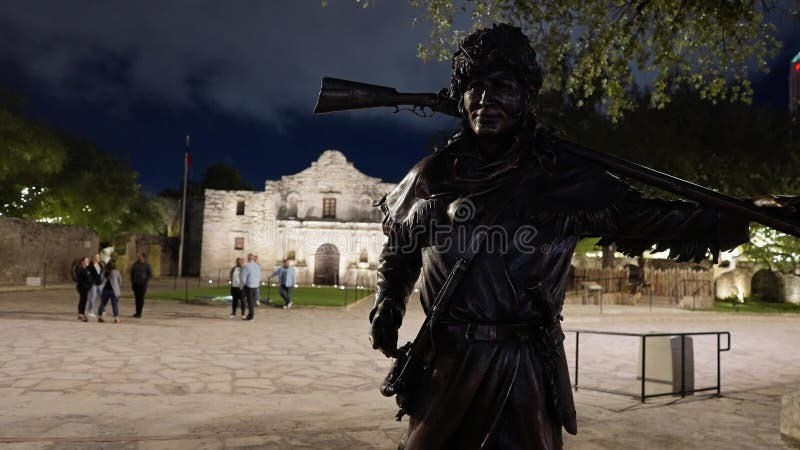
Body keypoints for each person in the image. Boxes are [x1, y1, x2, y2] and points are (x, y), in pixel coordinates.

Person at [366, 23, 785, 449]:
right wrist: (388, 302)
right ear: (461, 96)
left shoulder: (562, 178)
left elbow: (653, 218)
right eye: (475, 87)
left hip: (524, 367)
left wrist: (744, 211)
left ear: (525, 97)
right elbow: (401, 249)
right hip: (447, 362)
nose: (486, 100)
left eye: (502, 87)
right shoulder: (432, 175)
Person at [130, 252, 153, 318]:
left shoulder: (147, 265)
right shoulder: (135, 265)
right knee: (137, 299)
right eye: (138, 256)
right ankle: (137, 312)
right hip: (136, 284)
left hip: (143, 285)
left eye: (140, 256)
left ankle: (139, 313)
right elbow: (132, 274)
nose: (139, 257)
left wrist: (146, 281)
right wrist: (133, 282)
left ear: (143, 257)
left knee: (141, 299)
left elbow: (150, 275)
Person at [241, 253, 261, 321]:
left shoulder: (247, 266)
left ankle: (250, 316)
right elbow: (259, 276)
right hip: (255, 286)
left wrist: (242, 286)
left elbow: (243, 278)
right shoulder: (258, 266)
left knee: (250, 302)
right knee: (252, 301)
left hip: (249, 286)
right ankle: (250, 315)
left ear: (248, 258)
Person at [74, 256, 93, 322]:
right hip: (82, 287)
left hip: (86, 287)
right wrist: (86, 285)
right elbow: (79, 280)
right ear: (83, 262)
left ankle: (81, 314)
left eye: (88, 261)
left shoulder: (86, 269)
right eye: (86, 261)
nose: (88, 262)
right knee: (83, 300)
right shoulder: (80, 269)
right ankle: (81, 314)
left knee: (83, 300)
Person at [86, 253, 104, 318]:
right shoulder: (90, 266)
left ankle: (102, 309)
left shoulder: (100, 265)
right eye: (97, 257)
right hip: (93, 284)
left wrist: (102, 281)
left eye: (99, 257)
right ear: (93, 258)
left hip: (100, 283)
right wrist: (91, 281)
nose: (98, 258)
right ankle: (90, 311)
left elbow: (101, 274)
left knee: (103, 296)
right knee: (93, 297)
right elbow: (88, 275)